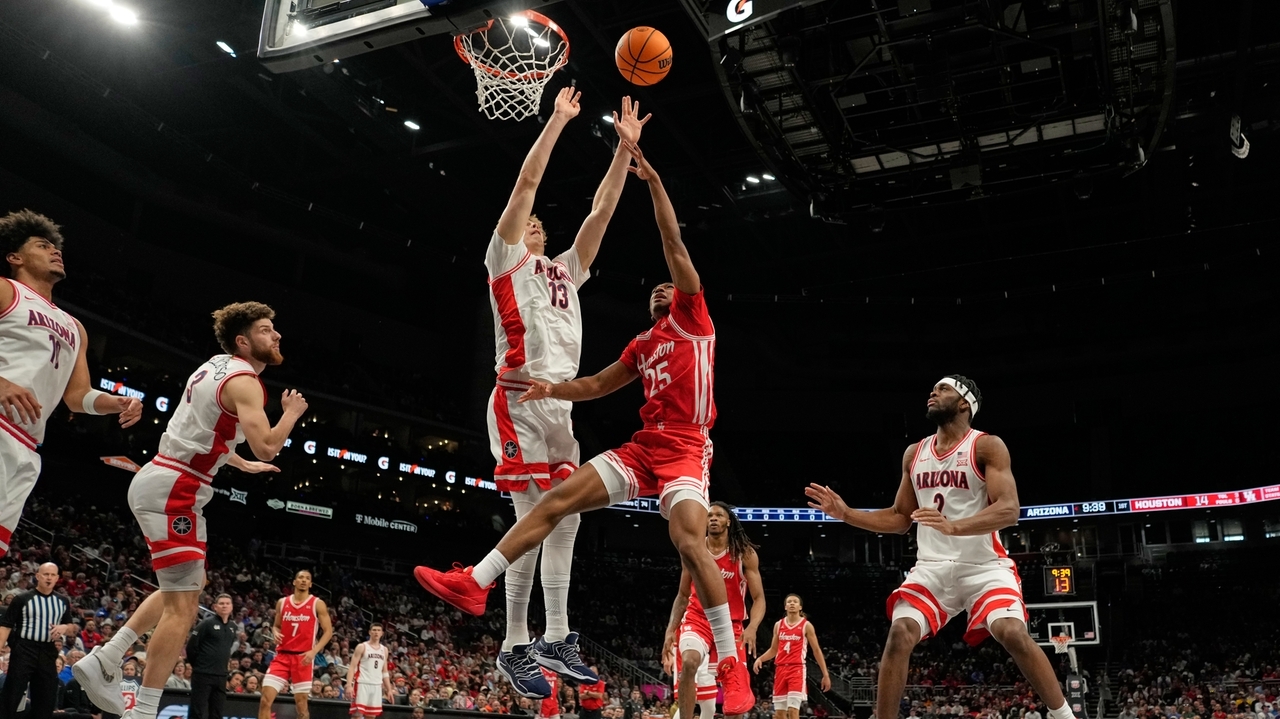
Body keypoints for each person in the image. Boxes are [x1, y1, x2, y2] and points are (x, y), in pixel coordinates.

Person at [413, 140, 753, 716]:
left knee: (677, 539)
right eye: (654, 289)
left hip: (680, 447)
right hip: (558, 410)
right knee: (550, 506)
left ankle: (727, 660)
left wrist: (642, 170)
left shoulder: (688, 315)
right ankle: (489, 596)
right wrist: (552, 389)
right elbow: (597, 384)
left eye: (666, 286)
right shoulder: (630, 337)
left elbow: (646, 230)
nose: (660, 288)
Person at [478, 89, 650, 697]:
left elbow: (601, 212)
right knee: (532, 519)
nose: (533, 222)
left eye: (538, 223)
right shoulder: (504, 260)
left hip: (559, 406)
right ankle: (512, 645)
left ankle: (555, 635)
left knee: (566, 519)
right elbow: (526, 182)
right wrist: (556, 121)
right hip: (519, 400)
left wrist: (623, 150)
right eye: (526, 220)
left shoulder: (564, 271)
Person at [73, 301, 305, 717]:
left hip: (164, 477)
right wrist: (290, 415)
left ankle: (107, 657)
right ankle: (143, 710)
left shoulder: (213, 366)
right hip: (176, 490)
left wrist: (239, 462)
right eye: (266, 329)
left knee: (185, 587)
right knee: (183, 608)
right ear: (242, 341)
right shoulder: (247, 382)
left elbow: (202, 430)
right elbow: (268, 445)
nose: (276, 335)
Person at [805, 375, 1077, 719]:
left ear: (965, 403)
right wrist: (847, 514)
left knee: (1012, 633)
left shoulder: (986, 446)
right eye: (933, 388)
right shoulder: (914, 453)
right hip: (932, 567)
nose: (933, 392)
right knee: (899, 634)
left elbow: (1009, 510)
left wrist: (953, 526)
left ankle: (1064, 715)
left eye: (943, 388)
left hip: (984, 566)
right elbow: (900, 518)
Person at [0, 209, 142, 559]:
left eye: (56, 246)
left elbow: (78, 397)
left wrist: (115, 402)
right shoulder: (6, 290)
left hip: (27, 446)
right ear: (15, 257)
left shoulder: (74, 326)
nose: (55, 250)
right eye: (42, 245)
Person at [663, 502, 766, 719]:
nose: (713, 519)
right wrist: (670, 629)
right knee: (689, 662)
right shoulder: (694, 549)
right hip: (697, 618)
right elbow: (682, 595)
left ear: (728, 521)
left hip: (731, 624)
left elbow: (759, 599)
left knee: (735, 703)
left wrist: (752, 627)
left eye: (719, 515)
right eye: (709, 515)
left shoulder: (744, 553)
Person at [0, 562, 77, 719]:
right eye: (46, 574)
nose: (49, 578)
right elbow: (6, 625)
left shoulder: (62, 600)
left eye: (52, 575)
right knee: (12, 693)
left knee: (45, 697)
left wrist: (64, 627)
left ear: (57, 578)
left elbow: (71, 628)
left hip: (48, 650)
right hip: (24, 649)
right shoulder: (22, 598)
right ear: (38, 576)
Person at [260, 570, 334, 719]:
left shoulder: (317, 604)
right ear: (294, 582)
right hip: (282, 656)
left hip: (303, 658)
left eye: (307, 578)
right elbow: (277, 626)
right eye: (300, 577)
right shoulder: (282, 602)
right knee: (265, 700)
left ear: (310, 584)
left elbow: (328, 632)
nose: (304, 580)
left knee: (301, 706)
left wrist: (314, 651)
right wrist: (275, 632)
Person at [752, 594, 830, 719]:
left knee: (793, 711)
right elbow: (773, 649)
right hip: (780, 669)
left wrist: (825, 674)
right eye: (789, 602)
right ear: (785, 607)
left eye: (795, 602)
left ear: (800, 607)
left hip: (796, 669)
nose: (792, 603)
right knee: (779, 714)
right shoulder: (778, 625)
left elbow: (816, 650)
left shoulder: (806, 625)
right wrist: (760, 659)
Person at [186, 594, 238, 719]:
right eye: (221, 603)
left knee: (217, 712)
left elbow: (227, 648)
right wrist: (199, 666)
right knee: (197, 711)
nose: (224, 606)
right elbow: (191, 647)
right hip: (203, 674)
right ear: (215, 607)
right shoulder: (206, 624)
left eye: (227, 603)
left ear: (232, 607)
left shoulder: (233, 627)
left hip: (221, 675)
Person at [346, 623, 392, 719]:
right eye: (374, 630)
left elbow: (385, 672)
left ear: (382, 633)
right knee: (357, 715)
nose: (376, 632)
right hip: (362, 683)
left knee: (371, 716)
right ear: (369, 632)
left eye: (378, 630)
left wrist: (389, 690)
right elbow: (352, 667)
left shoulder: (384, 650)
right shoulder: (362, 646)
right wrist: (349, 685)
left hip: (377, 685)